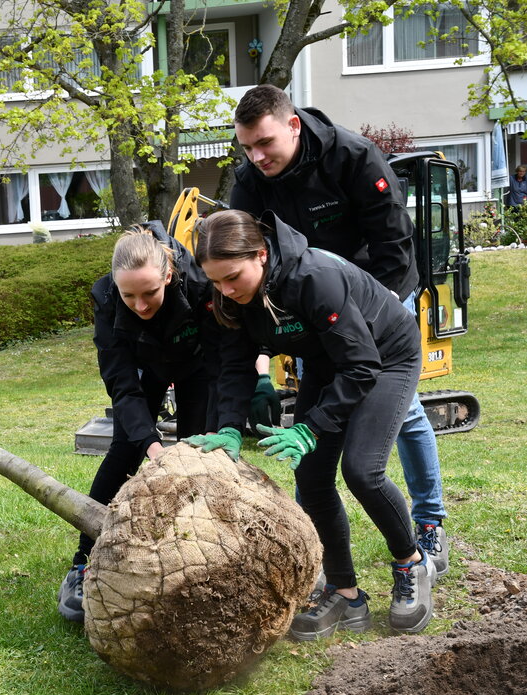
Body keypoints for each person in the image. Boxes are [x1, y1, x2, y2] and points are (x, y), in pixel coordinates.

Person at [229, 84, 449, 581]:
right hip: (310, 305)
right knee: (320, 415)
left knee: (399, 404)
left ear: (293, 125)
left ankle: (429, 518)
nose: (256, 156)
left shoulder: (353, 157)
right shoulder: (250, 180)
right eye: (246, 147)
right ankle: (329, 562)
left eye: (264, 143)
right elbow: (237, 247)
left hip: (380, 294)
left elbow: (393, 240)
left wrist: (377, 314)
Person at [191, 209, 436, 639]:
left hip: (385, 354)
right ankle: (346, 593)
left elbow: (361, 366)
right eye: (215, 281)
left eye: (232, 277)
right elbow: (233, 364)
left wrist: (312, 427)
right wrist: (229, 425)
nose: (225, 290)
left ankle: (411, 563)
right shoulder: (231, 296)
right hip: (327, 358)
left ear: (261, 255)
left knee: (363, 470)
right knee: (312, 475)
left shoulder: (313, 277)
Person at [58, 222, 218, 622]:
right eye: (130, 295)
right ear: (115, 285)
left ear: (168, 274)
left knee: (197, 448)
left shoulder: (199, 284)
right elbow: (122, 385)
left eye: (150, 293)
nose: (141, 305)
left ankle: (201, 552)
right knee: (126, 446)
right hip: (145, 364)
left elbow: (224, 355)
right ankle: (83, 561)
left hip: (196, 360)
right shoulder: (107, 300)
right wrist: (150, 442)